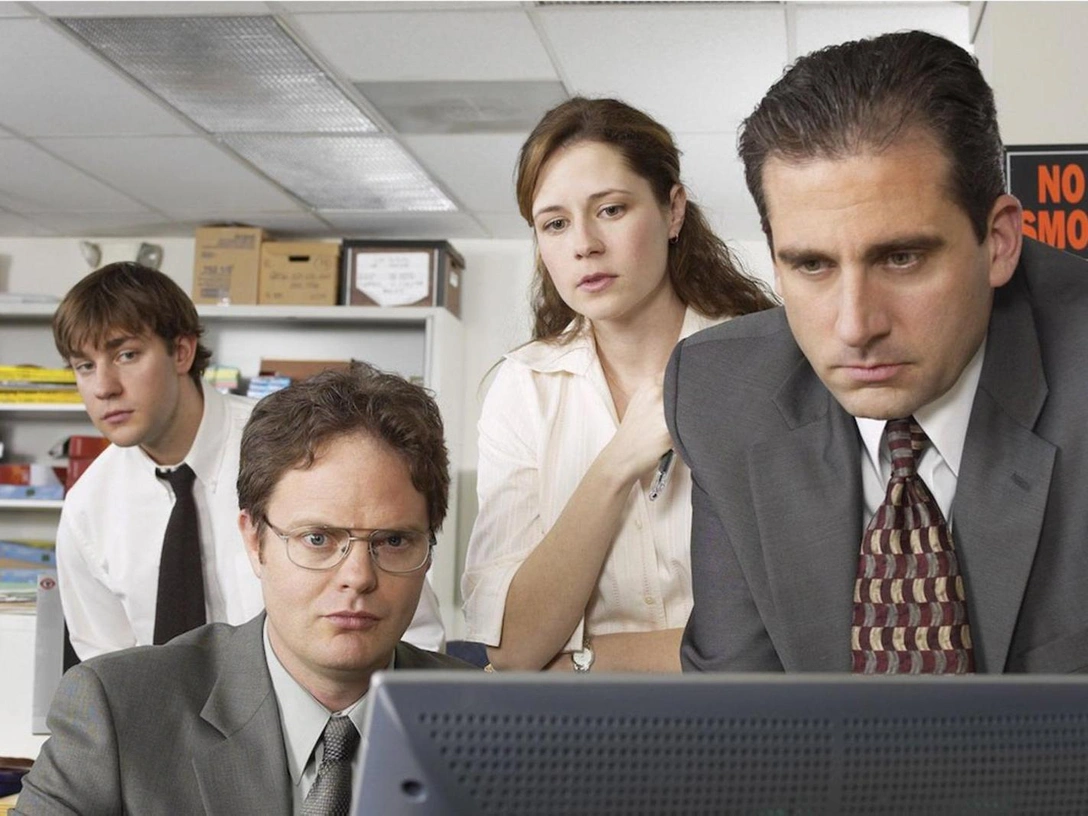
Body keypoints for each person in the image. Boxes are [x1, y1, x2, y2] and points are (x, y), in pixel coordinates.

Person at [664, 31, 1088, 674]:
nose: (855, 326)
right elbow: (739, 709)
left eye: (901, 258)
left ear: (999, 242)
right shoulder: (722, 396)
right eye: (811, 265)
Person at [16, 364, 474, 815]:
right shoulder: (117, 712)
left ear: (428, 549)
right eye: (317, 538)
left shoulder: (487, 720)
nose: (358, 576)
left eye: (393, 541)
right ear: (255, 542)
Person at [462, 97, 775, 672]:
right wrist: (618, 462)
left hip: (751, 721)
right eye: (555, 224)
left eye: (610, 210)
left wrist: (584, 665)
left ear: (673, 211)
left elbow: (788, 636)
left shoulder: (766, 365)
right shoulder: (524, 388)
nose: (583, 243)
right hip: (586, 730)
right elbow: (512, 649)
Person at [52, 262, 445, 660]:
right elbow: (108, 669)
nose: (103, 387)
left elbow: (412, 635)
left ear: (182, 352)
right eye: (85, 366)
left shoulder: (297, 450)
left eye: (126, 355)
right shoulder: (87, 508)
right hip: (169, 701)